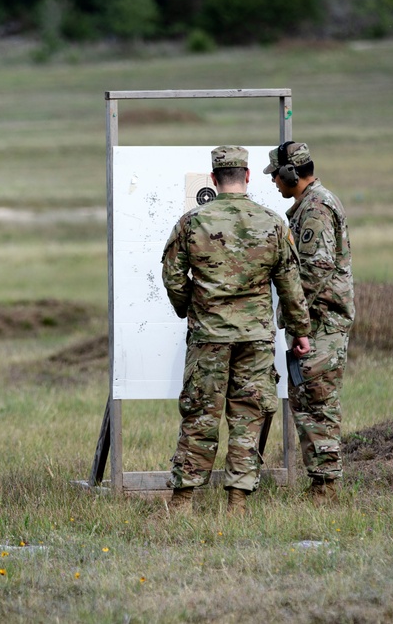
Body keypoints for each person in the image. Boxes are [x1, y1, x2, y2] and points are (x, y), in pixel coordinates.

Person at [161, 146, 311, 515]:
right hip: (256, 339)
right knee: (248, 415)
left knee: (200, 415)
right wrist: (300, 330)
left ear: (214, 179)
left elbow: (172, 276)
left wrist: (189, 310)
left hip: (209, 337)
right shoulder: (273, 222)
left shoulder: (192, 222)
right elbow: (290, 284)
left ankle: (183, 502)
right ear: (246, 177)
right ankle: (238, 502)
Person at [264, 141, 354, 504]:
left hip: (322, 323)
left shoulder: (315, 208)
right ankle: (320, 482)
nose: (274, 183)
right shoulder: (312, 204)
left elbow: (315, 271)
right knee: (307, 399)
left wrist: (293, 320)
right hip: (316, 322)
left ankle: (327, 487)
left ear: (290, 174)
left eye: (277, 176)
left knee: (318, 402)